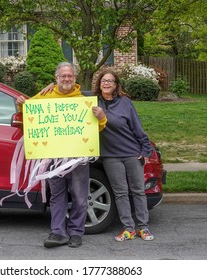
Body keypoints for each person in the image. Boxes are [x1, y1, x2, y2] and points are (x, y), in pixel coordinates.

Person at [41, 69, 155, 242]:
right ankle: (128, 228)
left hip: (131, 152)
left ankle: (143, 227)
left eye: (110, 81)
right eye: (104, 81)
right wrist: (53, 85)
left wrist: (145, 150)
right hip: (110, 155)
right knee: (120, 193)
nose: (107, 84)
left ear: (116, 85)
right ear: (99, 84)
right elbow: (69, 89)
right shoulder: (91, 100)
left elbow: (137, 128)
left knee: (138, 191)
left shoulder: (125, 103)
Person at [15, 62, 106, 248]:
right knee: (57, 196)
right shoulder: (45, 95)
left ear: (75, 79)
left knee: (80, 197)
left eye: (70, 76)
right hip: (53, 157)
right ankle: (58, 232)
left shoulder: (83, 100)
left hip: (78, 157)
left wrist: (101, 118)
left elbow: (96, 128)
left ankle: (76, 233)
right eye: (63, 76)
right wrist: (21, 106)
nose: (66, 79)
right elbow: (29, 114)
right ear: (56, 78)